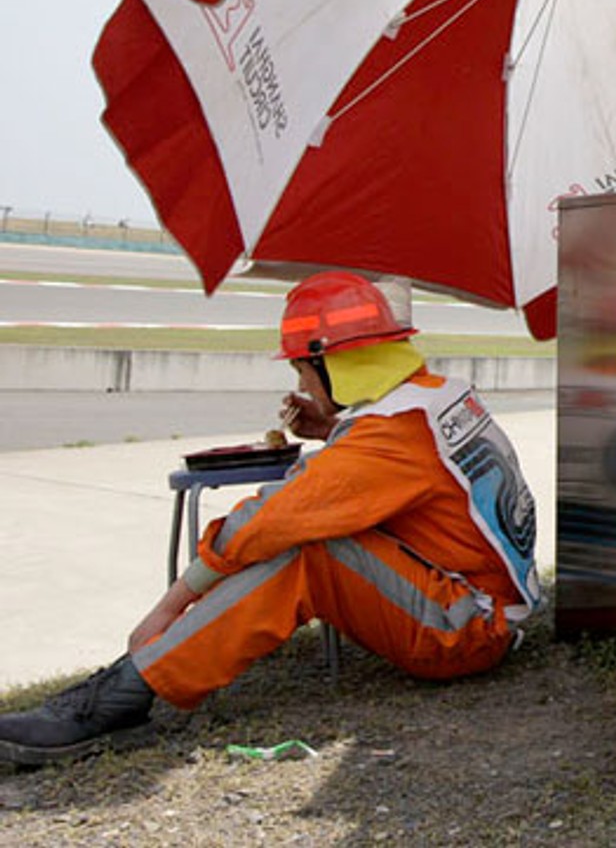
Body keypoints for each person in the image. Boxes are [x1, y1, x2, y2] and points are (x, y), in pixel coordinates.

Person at [0, 272, 540, 766]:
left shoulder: (388, 434)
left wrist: (171, 604)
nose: (303, 385)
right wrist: (331, 430)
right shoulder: (432, 396)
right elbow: (399, 476)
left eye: (302, 369)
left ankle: (123, 693)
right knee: (306, 535)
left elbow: (265, 522)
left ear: (331, 363)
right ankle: (140, 677)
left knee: (308, 549)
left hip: (468, 630)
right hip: (478, 605)